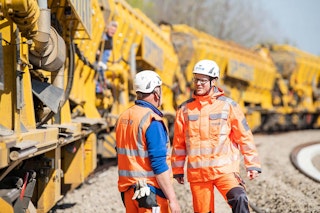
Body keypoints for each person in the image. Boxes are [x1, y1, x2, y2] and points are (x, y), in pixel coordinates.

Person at [171, 59, 262, 213]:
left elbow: (244, 136)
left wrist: (252, 164)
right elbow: (179, 144)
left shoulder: (228, 106)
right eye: (196, 79)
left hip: (224, 171)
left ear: (213, 81)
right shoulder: (184, 109)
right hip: (198, 176)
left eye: (203, 80)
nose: (198, 83)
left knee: (239, 198)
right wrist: (178, 169)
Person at [115, 70, 181, 213]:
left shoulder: (123, 117)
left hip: (129, 192)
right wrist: (173, 199)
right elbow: (158, 164)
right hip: (150, 194)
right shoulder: (152, 121)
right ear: (156, 93)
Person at [96, 21, 118, 93]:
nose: (113, 32)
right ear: (108, 28)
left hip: (103, 65)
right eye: (111, 30)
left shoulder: (111, 39)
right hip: (99, 64)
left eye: (114, 31)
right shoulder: (103, 37)